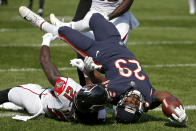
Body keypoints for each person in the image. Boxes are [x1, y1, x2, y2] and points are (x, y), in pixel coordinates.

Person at [19, 7, 188, 125]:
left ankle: (41, 23)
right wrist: (175, 108)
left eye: (129, 101)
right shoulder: (149, 96)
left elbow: (95, 87)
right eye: (135, 104)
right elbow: (164, 95)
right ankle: (66, 24)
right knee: (95, 16)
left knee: (63, 34)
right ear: (142, 109)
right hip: (115, 42)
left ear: (120, 102)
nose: (134, 99)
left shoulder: (114, 93)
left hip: (97, 53)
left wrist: (89, 70)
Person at [0, 33, 108, 123]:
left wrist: (46, 40)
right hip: (47, 108)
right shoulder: (98, 116)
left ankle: (14, 103)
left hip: (36, 99)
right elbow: (90, 96)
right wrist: (86, 72)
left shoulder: (67, 92)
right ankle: (15, 106)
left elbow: (45, 62)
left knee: (7, 93)